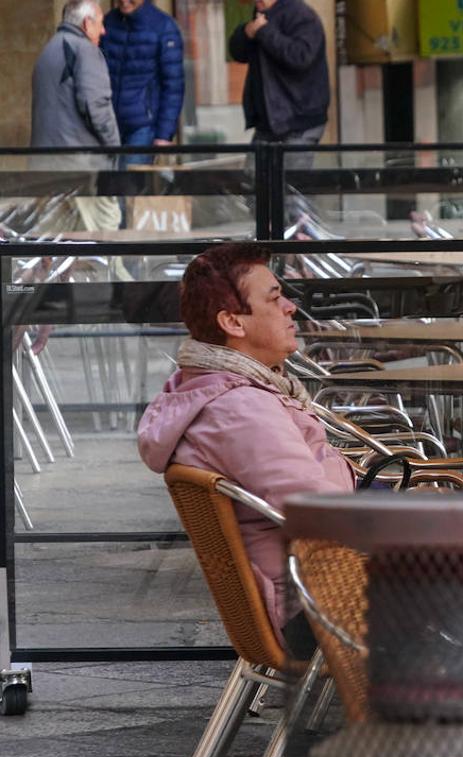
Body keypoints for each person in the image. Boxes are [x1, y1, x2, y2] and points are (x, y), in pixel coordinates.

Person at [137, 243, 353, 656]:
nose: (290, 307)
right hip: (324, 602)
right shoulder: (239, 409)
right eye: (274, 298)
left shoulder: (212, 391)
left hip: (314, 585)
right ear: (233, 322)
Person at [30, 0, 122, 235]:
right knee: (107, 232)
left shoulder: (48, 50)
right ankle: (109, 274)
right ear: (86, 23)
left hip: (47, 166)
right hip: (81, 166)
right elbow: (96, 107)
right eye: (100, 23)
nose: (103, 31)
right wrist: (114, 148)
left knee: (57, 240)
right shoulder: (85, 50)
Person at [228, 0, 330, 154]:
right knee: (253, 177)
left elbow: (300, 57)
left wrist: (264, 31)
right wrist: (246, 33)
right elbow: (238, 53)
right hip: (268, 124)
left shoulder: (300, 14)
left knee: (289, 177)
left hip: (298, 122)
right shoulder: (260, 15)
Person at [99, 0, 185, 166]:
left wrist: (164, 135)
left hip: (143, 127)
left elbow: (173, 87)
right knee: (107, 187)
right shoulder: (108, 23)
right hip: (108, 125)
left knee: (130, 186)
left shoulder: (164, 27)